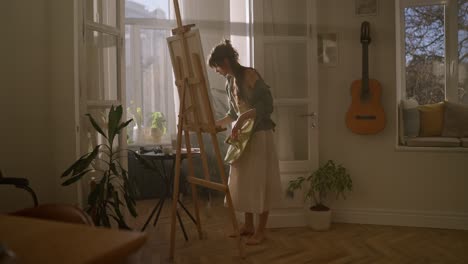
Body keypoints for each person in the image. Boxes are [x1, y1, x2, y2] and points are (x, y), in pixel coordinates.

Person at [208, 39, 282, 245]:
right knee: (245, 181)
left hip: (259, 135)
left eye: (216, 66)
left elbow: (267, 105)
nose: (216, 71)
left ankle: (261, 230)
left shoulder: (250, 74)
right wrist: (215, 124)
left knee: (260, 180)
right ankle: (248, 226)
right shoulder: (229, 81)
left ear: (225, 61)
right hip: (243, 137)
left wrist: (241, 119)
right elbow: (233, 113)